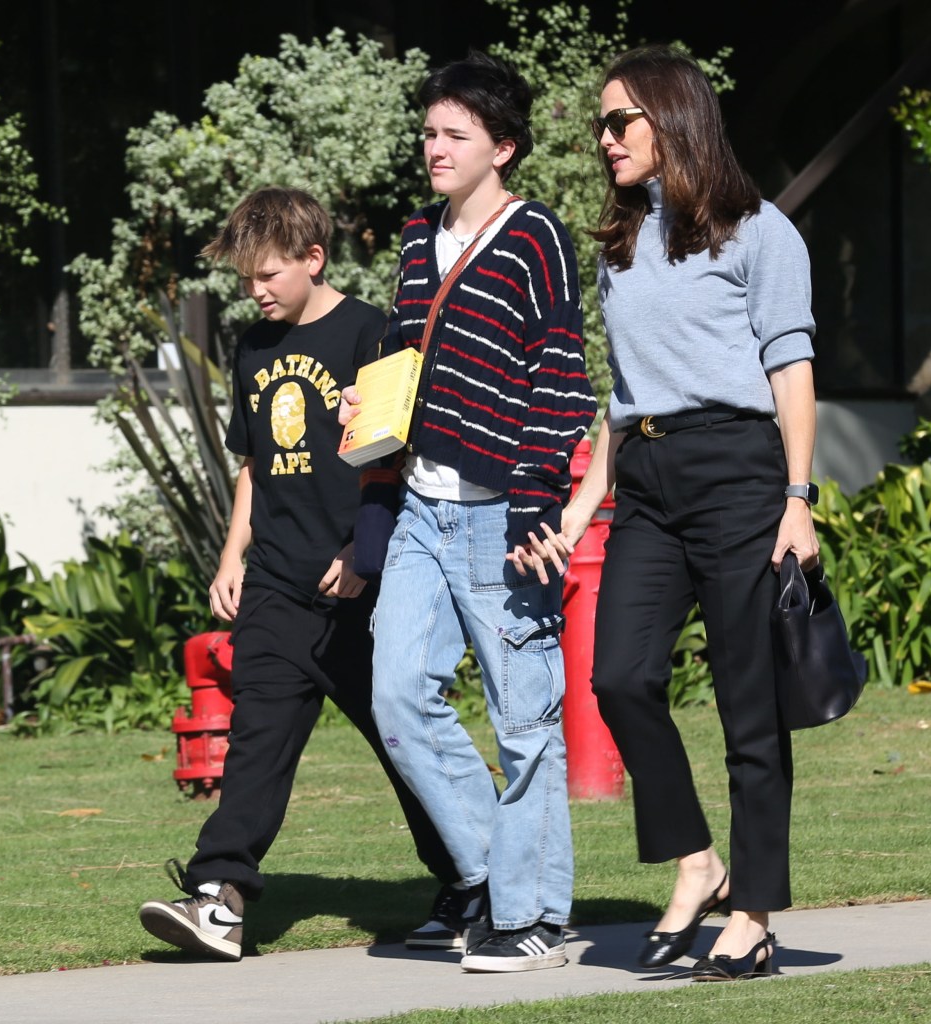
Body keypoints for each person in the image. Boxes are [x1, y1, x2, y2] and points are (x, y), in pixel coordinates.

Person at [138, 186, 465, 962]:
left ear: (314, 259)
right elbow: (254, 465)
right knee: (257, 737)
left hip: (357, 584)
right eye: (247, 278)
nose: (255, 291)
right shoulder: (253, 346)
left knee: (403, 739)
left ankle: (470, 881)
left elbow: (388, 453)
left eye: (268, 275)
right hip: (279, 584)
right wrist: (231, 556)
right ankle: (219, 898)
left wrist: (362, 552)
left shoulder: (369, 333)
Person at [558, 45, 818, 982]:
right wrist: (589, 491)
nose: (603, 139)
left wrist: (797, 499)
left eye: (617, 121)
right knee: (618, 676)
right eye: (600, 123)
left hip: (739, 472)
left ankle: (750, 912)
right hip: (649, 480)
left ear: (670, 120)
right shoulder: (621, 245)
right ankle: (696, 862)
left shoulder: (757, 232)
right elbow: (621, 393)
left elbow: (790, 367)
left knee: (751, 707)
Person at [341, 52, 596, 972]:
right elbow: (407, 361)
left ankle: (531, 917)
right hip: (418, 507)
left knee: (523, 720)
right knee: (397, 697)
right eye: (428, 133)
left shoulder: (536, 238)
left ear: (504, 147)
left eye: (454, 135)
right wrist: (364, 410)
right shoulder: (416, 239)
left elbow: (558, 380)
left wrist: (538, 503)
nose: (434, 148)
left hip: (502, 515)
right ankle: (497, 874)